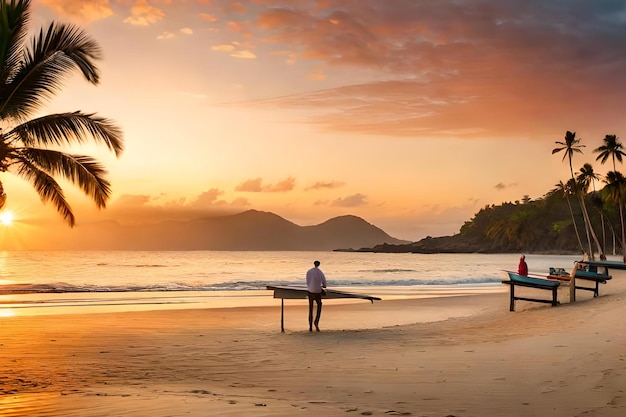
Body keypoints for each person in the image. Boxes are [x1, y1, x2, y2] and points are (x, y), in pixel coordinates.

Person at [306, 260, 327, 332]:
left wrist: (310, 287)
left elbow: (308, 281)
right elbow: (324, 283)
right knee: (319, 305)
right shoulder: (320, 272)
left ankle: (310, 326)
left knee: (311, 308)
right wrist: (323, 286)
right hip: (317, 292)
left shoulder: (309, 271)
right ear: (319, 264)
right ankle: (316, 322)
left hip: (310, 291)